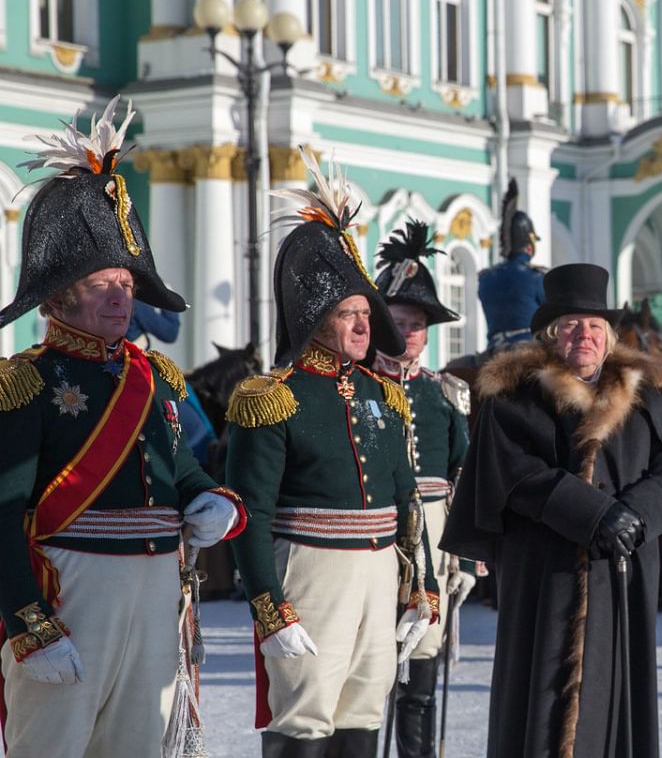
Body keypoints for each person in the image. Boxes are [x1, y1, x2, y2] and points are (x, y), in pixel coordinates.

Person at [0, 96, 245, 755]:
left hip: (155, 593)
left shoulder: (156, 376)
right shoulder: (27, 381)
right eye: (100, 282)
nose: (119, 296)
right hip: (71, 600)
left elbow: (179, 465)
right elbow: (2, 513)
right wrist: (29, 625)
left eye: (126, 282)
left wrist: (204, 497)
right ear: (57, 297)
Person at [440, 263, 662, 758]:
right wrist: (593, 513)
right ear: (551, 335)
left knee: (616, 696)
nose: (583, 335)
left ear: (608, 336)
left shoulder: (645, 396)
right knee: (540, 697)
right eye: (571, 325)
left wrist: (636, 512)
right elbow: (511, 473)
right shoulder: (514, 397)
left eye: (593, 326)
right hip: (546, 571)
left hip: (621, 570)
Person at [225, 148, 434, 757]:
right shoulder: (273, 398)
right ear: (316, 320)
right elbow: (251, 514)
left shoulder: (383, 394)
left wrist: (418, 583)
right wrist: (269, 604)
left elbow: (407, 503)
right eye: (348, 314)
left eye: (365, 313)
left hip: (377, 574)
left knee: (364, 712)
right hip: (310, 571)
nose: (363, 325)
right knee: (305, 716)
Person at [372, 221, 474, 757]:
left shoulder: (446, 394)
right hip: (372, 533)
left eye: (417, 323)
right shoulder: (358, 387)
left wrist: (469, 560)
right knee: (370, 669)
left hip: (433, 539)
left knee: (421, 672)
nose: (408, 332)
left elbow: (465, 478)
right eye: (398, 320)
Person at [477, 179, 546, 349]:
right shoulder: (537, 277)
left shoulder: (486, 277)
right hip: (528, 347)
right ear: (529, 246)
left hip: (494, 348)